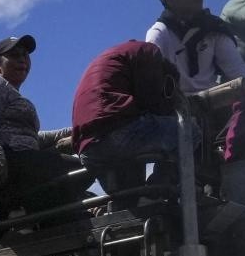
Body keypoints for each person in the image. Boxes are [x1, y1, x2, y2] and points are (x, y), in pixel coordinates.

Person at [0, 36, 91, 214]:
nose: (22, 60)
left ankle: (18, 216)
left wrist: (77, 131)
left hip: (24, 160)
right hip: (6, 162)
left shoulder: (14, 94)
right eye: (15, 55)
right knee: (82, 168)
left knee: (71, 187)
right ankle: (20, 212)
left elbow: (33, 137)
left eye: (25, 56)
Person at [69, 39, 184, 187]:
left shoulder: (120, 56)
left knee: (132, 199)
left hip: (88, 149)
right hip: (117, 131)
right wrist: (171, 107)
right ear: (167, 78)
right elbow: (152, 99)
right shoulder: (150, 52)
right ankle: (163, 189)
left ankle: (146, 197)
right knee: (191, 132)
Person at [146, 0, 245, 98]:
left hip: (213, 102)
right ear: (171, 0)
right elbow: (154, 78)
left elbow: (236, 69)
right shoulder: (160, 33)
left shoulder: (213, 29)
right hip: (175, 106)